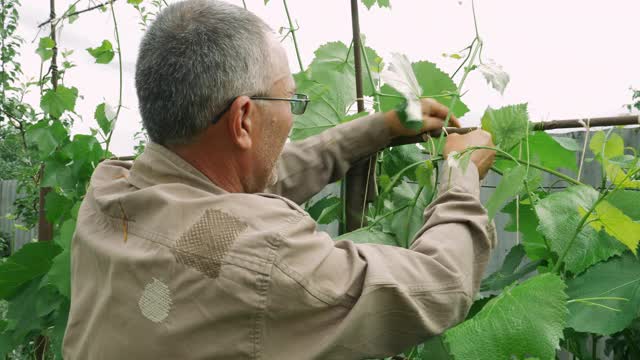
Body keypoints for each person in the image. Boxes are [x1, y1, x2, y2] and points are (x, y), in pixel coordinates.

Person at [62, 0, 497, 358]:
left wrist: (378, 129)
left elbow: (230, 193)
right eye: (290, 98)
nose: (292, 114)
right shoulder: (263, 259)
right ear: (244, 119)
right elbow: (438, 285)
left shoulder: (112, 192)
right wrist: (460, 176)